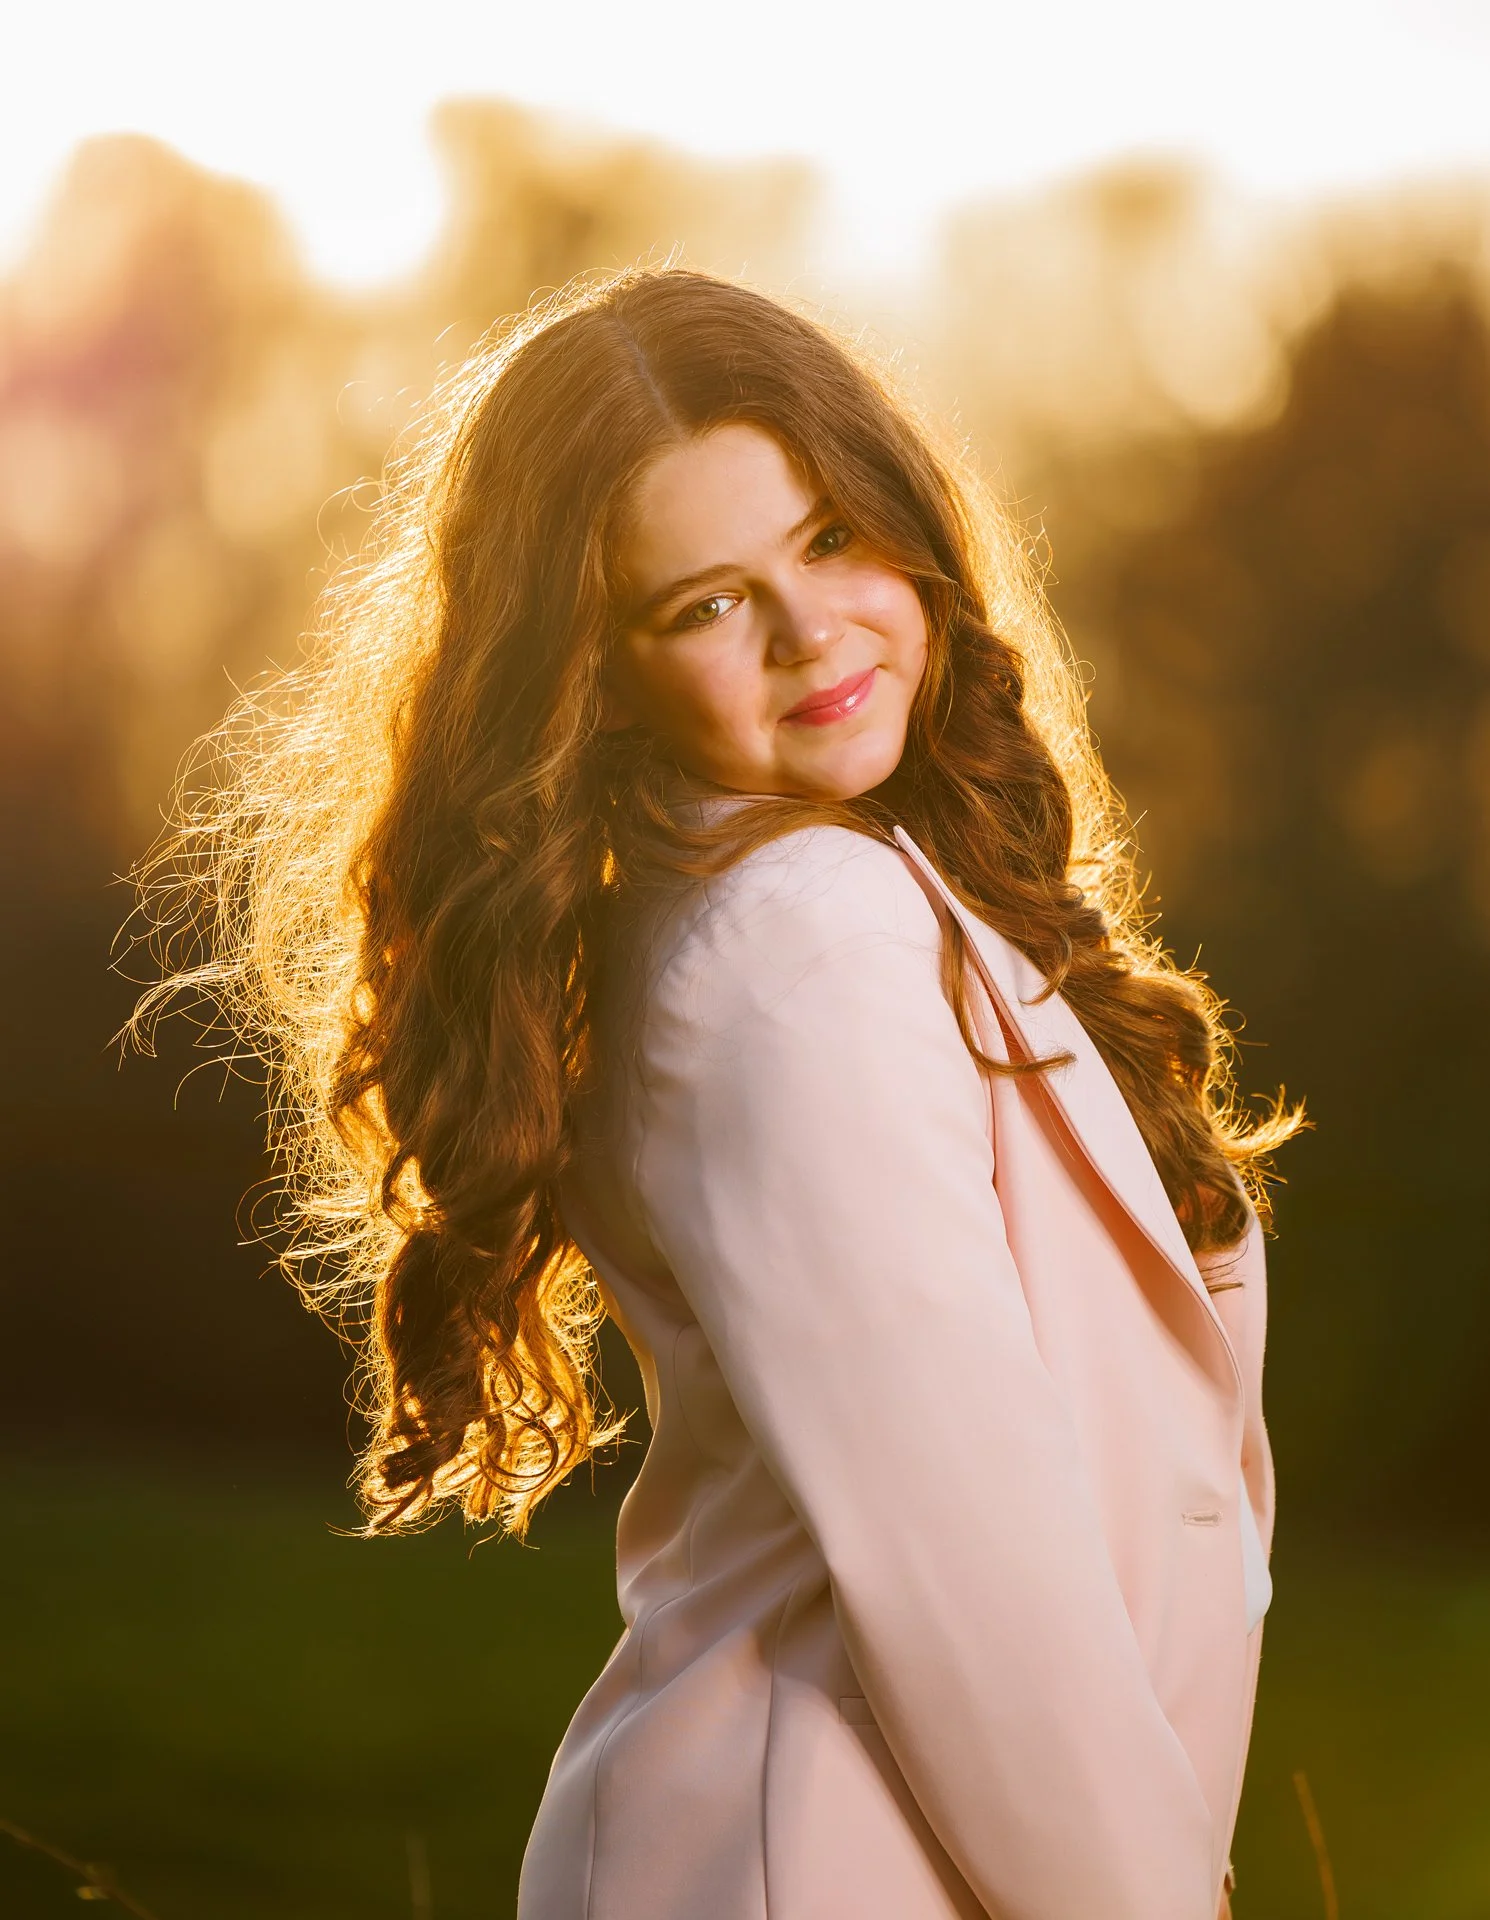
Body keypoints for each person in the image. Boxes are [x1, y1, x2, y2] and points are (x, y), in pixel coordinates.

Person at [132, 264, 1300, 1918]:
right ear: (598, 675)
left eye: (829, 538)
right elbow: (969, 1561)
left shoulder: (784, 893)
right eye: (704, 604)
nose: (810, 632)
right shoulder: (797, 939)